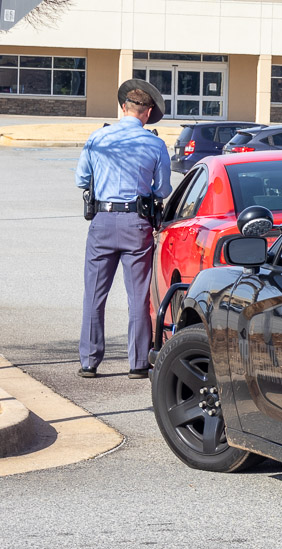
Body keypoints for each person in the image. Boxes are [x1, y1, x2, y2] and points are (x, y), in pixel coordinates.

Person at [75, 79, 172, 379]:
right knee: (138, 297)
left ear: (122, 108)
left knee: (94, 295)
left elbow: (81, 179)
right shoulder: (155, 144)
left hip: (102, 221)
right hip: (136, 224)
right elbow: (163, 189)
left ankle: (89, 362)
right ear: (148, 113)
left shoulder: (98, 137)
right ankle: (138, 363)